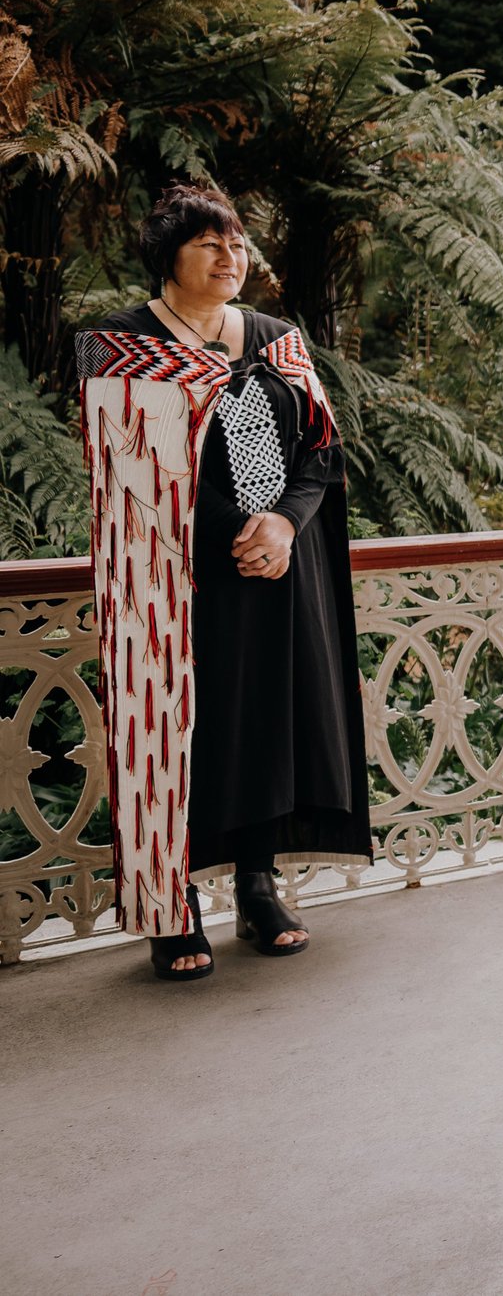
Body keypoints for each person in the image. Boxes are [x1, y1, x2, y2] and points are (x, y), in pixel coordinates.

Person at [76, 184, 370, 981]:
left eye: (237, 244)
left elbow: (320, 450)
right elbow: (127, 468)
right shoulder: (120, 345)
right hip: (177, 573)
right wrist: (235, 529)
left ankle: (258, 883)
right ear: (167, 256)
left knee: (271, 722)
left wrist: (282, 525)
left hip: (280, 564)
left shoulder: (276, 339)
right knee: (183, 731)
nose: (229, 257)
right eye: (210, 244)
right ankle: (171, 909)